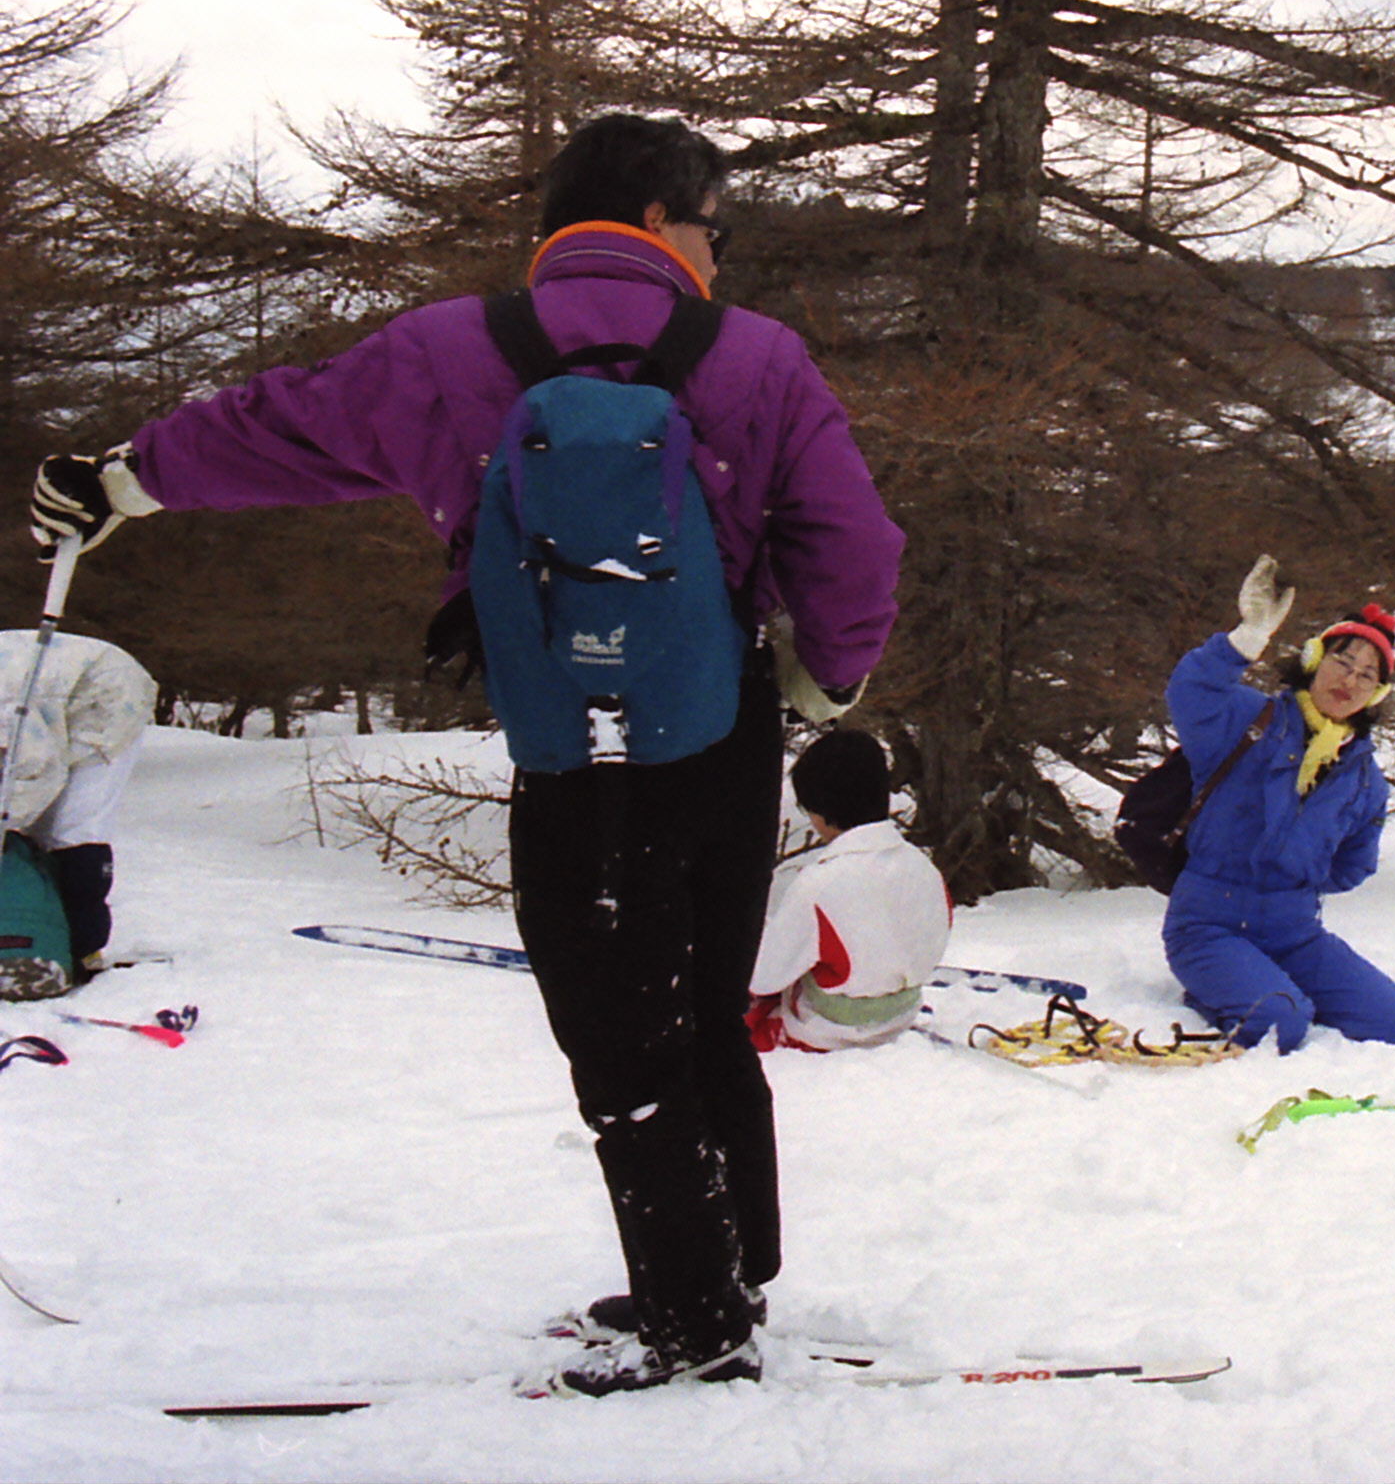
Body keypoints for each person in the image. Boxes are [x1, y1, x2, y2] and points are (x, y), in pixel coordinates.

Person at [25, 114, 904, 1396]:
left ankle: (695, 1316)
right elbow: (851, 541)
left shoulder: (449, 348)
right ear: (656, 219)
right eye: (714, 228)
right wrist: (828, 673)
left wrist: (124, 482)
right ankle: (725, 1270)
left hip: (568, 735)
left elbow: (282, 428)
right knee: (700, 1001)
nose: (720, 254)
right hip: (719, 725)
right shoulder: (756, 356)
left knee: (614, 1026)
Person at [1160, 555, 1395, 1053]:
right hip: (1207, 926)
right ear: (1314, 661)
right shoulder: (1246, 720)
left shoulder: (1364, 779)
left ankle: (1268, 983)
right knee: (1282, 1023)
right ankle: (1231, 990)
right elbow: (1191, 689)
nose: (1349, 681)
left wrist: (1291, 882)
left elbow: (1352, 866)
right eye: (1342, 662)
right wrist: (1249, 636)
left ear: (1376, 694)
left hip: (1294, 933)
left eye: (1367, 675)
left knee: (1394, 1023)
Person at [748, 729, 950, 1053]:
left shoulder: (819, 885)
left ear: (821, 810)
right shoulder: (924, 868)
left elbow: (763, 976)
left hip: (829, 1030)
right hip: (901, 1016)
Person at [0, 630, 156, 995]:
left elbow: (39, 766)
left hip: (106, 697)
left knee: (74, 830)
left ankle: (82, 951)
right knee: (33, 837)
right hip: (56, 700)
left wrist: (10, 822)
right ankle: (46, 935)